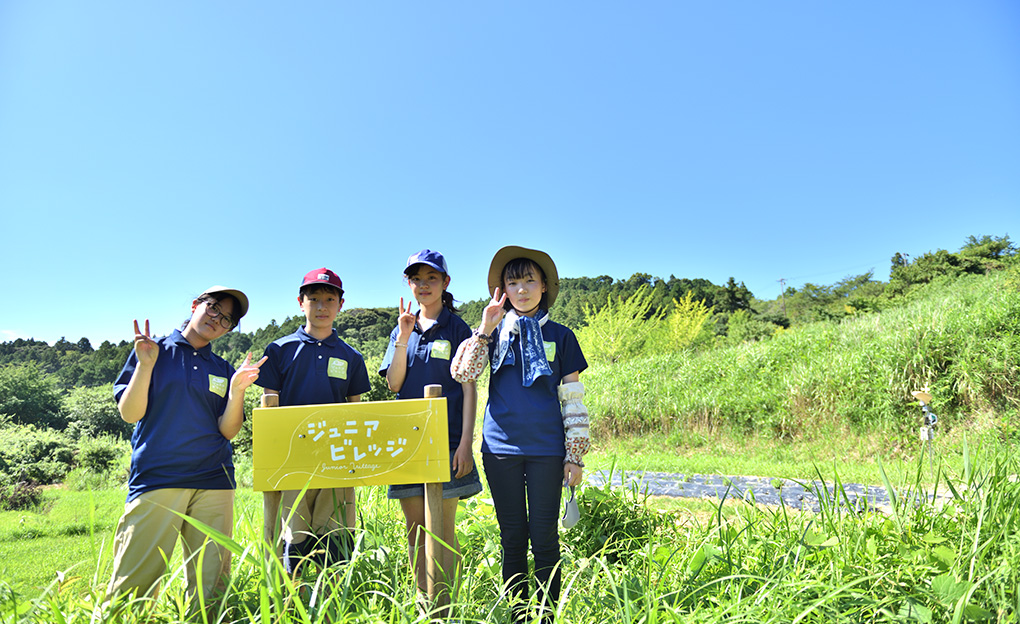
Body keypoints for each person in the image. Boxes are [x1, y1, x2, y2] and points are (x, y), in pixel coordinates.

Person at [451, 246, 591, 623]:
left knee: (544, 538)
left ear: (544, 286)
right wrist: (485, 328)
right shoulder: (493, 333)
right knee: (512, 538)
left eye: (530, 280)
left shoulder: (562, 336)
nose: (523, 289)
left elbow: (573, 399)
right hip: (500, 450)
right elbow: (463, 373)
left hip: (548, 450)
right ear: (503, 290)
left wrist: (575, 455)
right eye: (513, 283)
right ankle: (519, 616)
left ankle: (546, 617)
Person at [107, 285, 265, 607]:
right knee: (132, 585)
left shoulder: (222, 369)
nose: (217, 319)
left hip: (214, 481)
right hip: (159, 477)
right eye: (214, 308)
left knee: (212, 588)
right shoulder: (152, 350)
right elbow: (130, 413)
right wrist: (146, 365)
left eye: (227, 319)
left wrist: (237, 392)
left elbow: (228, 431)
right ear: (196, 305)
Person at [378, 249, 481, 599]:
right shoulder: (401, 328)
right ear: (408, 284)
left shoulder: (458, 329)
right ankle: (423, 602)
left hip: (447, 441)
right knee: (416, 529)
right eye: (417, 279)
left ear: (445, 282)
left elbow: (468, 388)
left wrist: (465, 443)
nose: (423, 285)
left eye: (431, 278)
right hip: (405, 442)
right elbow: (393, 383)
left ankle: (448, 605)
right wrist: (404, 335)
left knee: (442, 529)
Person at [257, 268, 372, 574]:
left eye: (330, 299)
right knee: (293, 537)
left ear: (340, 305)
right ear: (301, 303)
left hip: (337, 459)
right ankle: (291, 598)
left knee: (335, 537)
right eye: (314, 299)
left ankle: (332, 597)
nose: (322, 306)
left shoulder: (351, 356)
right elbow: (269, 407)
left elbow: (355, 412)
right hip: (292, 459)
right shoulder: (279, 350)